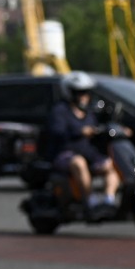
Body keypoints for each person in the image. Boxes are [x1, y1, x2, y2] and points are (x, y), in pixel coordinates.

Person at [47, 71, 120, 212]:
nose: (84, 96)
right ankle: (90, 200)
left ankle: (108, 200)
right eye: (80, 92)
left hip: (88, 153)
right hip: (66, 154)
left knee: (111, 166)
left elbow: (98, 128)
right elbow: (57, 132)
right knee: (79, 162)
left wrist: (119, 129)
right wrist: (79, 132)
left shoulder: (88, 112)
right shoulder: (60, 111)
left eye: (86, 92)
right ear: (70, 92)